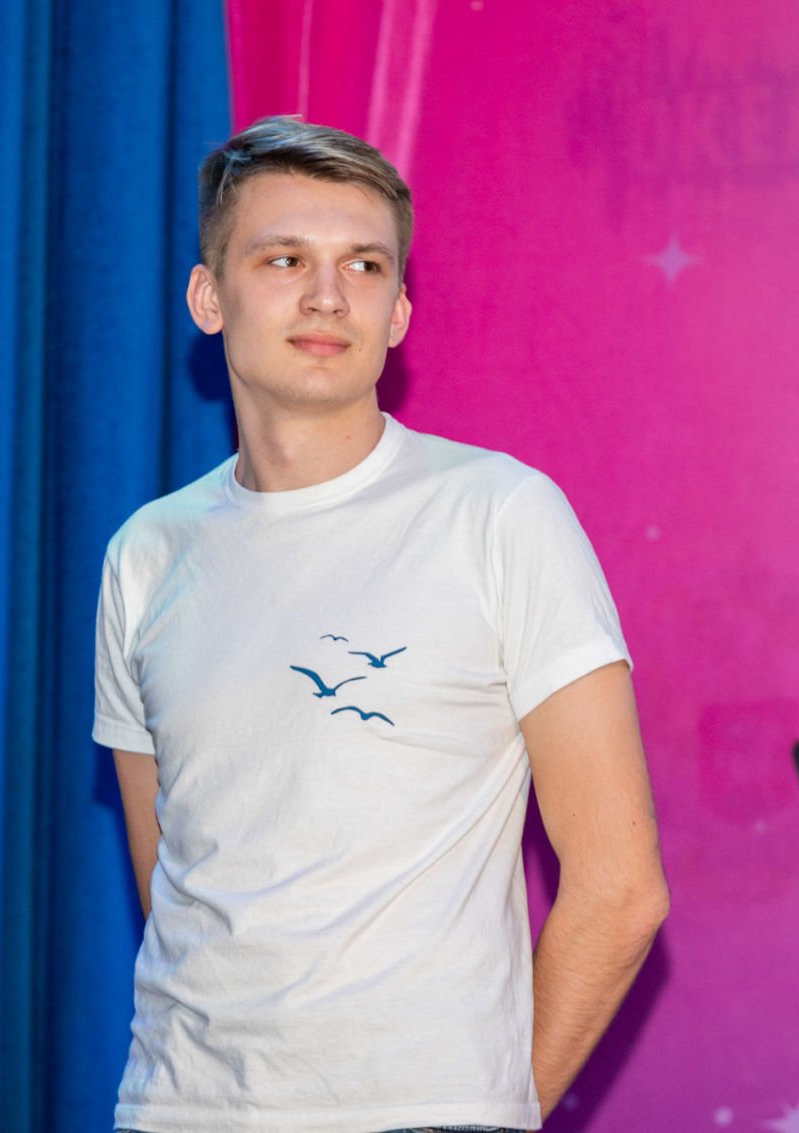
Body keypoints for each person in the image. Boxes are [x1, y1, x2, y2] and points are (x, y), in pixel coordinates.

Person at [93, 116, 669, 1133]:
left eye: (363, 265)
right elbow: (172, 872)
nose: (328, 295)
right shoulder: (145, 554)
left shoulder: (498, 515)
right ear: (208, 296)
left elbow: (620, 887)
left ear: (398, 311)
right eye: (284, 259)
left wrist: (489, 1109)